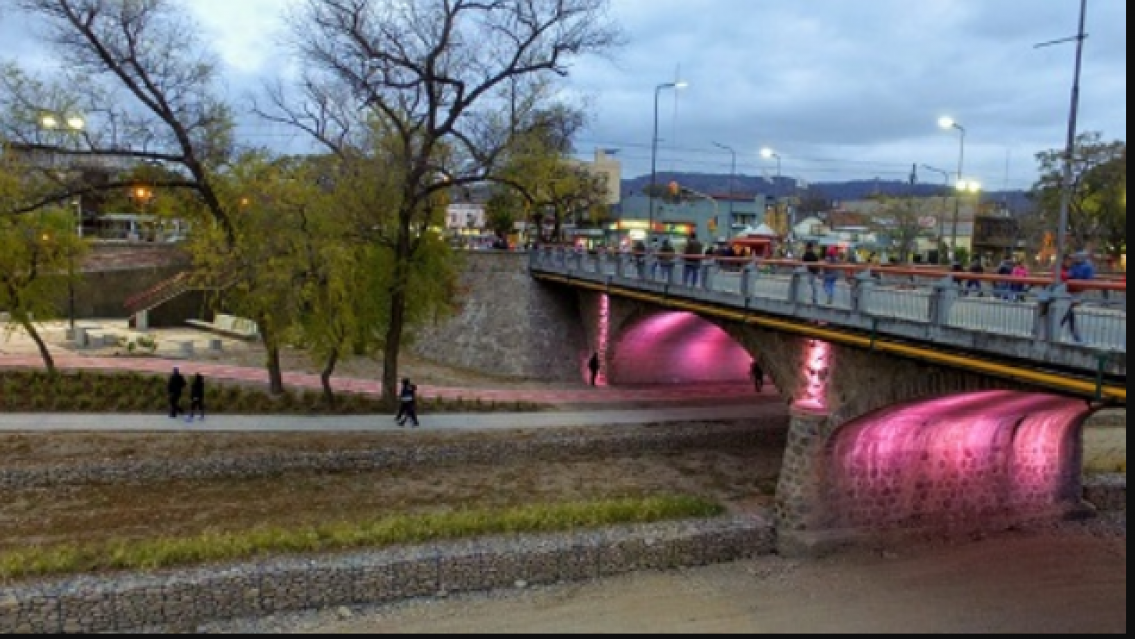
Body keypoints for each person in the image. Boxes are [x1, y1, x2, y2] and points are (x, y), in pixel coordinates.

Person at [1061, 252, 1095, 344]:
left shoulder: (1086, 266)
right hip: (1068, 292)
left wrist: (1070, 276)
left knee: (1068, 312)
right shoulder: (1073, 266)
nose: (1074, 259)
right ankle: (1076, 337)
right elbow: (1069, 275)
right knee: (1069, 313)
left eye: (1076, 258)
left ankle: (1060, 328)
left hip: (1076, 292)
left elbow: (1086, 278)